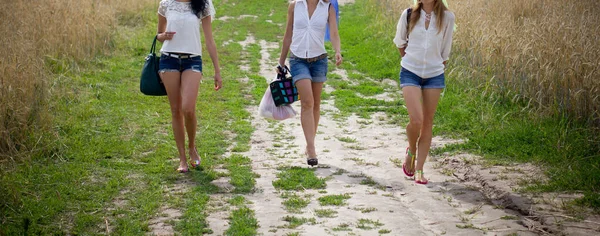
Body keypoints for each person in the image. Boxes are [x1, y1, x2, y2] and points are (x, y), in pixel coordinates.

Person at [393, 0, 455, 184]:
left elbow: (445, 51)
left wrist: (432, 67)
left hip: (434, 75)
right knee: (416, 119)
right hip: (410, 72)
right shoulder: (408, 14)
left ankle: (419, 169)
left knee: (427, 123)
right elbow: (400, 42)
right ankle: (411, 151)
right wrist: (413, 62)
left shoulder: (448, 18)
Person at [157, 0, 222, 173]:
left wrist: (217, 70)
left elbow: (209, 40)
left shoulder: (203, 4)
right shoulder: (166, 3)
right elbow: (159, 34)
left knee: (188, 108)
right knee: (175, 109)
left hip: (192, 60)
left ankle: (192, 147)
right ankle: (182, 159)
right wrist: (162, 36)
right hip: (168, 58)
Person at [278, 0, 343, 166]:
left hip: (319, 60)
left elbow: (334, 33)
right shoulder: (294, 6)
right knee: (307, 102)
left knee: (315, 104)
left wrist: (337, 51)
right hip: (298, 59)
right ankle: (312, 149)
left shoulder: (328, 7)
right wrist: (281, 61)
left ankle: (309, 143)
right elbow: (288, 35)